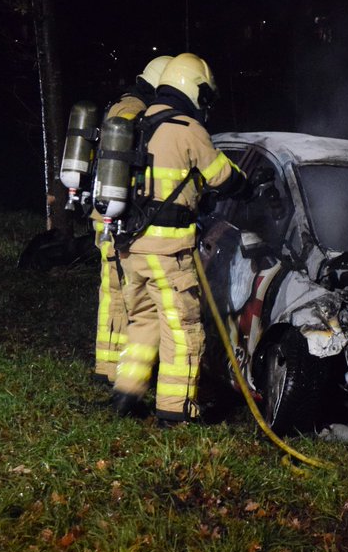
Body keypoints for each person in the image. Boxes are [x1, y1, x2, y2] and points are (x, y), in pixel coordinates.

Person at [111, 52, 246, 424]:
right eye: (205, 95)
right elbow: (221, 175)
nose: (205, 105)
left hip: (130, 247)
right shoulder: (187, 128)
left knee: (143, 322)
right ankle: (175, 412)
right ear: (192, 86)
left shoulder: (141, 122)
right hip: (166, 250)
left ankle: (125, 396)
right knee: (183, 329)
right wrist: (247, 186)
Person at [91, 55, 171, 383]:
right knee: (121, 296)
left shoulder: (124, 104)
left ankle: (108, 367)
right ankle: (114, 371)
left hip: (110, 213)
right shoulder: (132, 110)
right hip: (116, 216)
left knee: (113, 293)